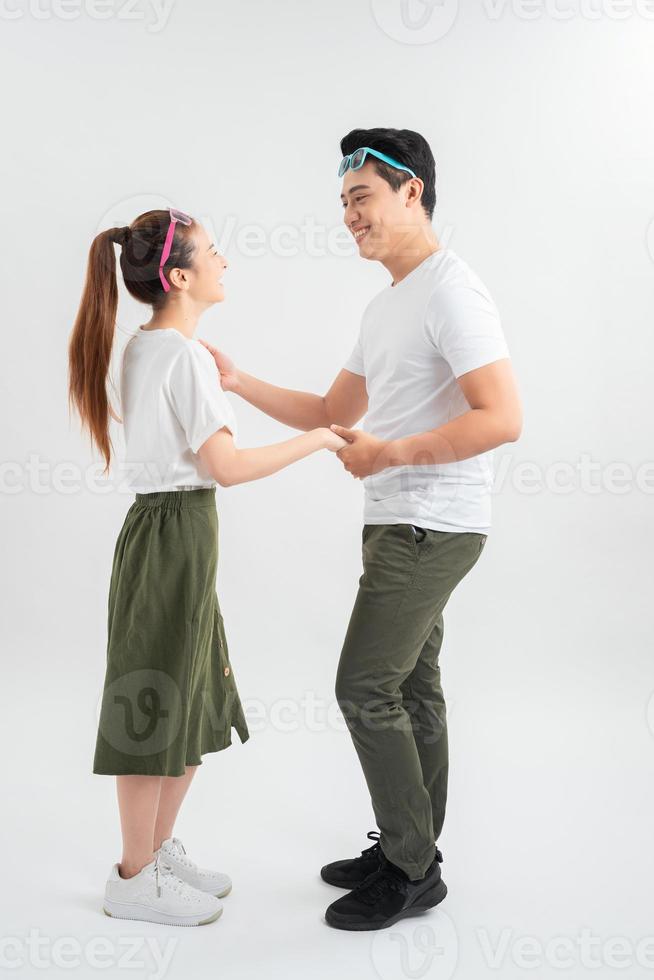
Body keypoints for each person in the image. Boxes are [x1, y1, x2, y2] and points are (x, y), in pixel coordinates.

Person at [200, 128, 523, 931]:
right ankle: (411, 849)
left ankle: (412, 868)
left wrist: (394, 455)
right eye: (344, 202)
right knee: (411, 687)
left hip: (432, 525)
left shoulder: (452, 289)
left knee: (362, 687)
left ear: (412, 192)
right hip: (398, 524)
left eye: (362, 198)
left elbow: (504, 418)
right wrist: (238, 383)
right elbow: (331, 413)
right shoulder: (388, 305)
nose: (350, 216)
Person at [67, 207, 346, 928]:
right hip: (174, 533)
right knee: (153, 699)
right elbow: (225, 466)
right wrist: (315, 439)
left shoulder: (146, 349)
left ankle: (153, 854)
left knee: (190, 696)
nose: (226, 264)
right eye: (215, 254)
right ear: (180, 276)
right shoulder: (179, 356)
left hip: (171, 535)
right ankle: (132, 877)